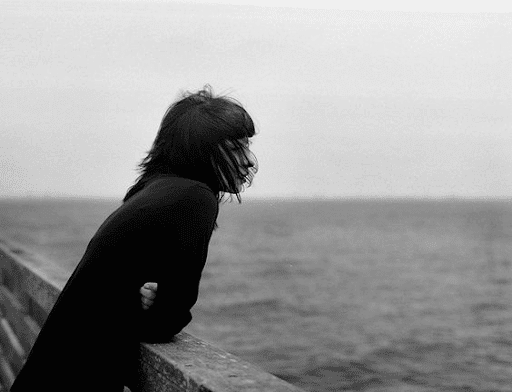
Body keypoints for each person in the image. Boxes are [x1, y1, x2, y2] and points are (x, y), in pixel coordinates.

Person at [10, 86, 257, 392]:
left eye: (247, 147)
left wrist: (155, 296)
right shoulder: (195, 197)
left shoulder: (154, 188)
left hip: (48, 373)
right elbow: (167, 320)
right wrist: (159, 303)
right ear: (200, 150)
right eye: (235, 148)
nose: (247, 160)